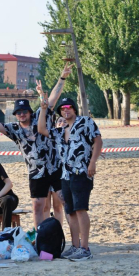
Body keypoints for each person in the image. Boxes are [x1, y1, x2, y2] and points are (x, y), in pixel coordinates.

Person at [0, 63, 74, 228]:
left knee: (62, 203)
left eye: (24, 111)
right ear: (16, 115)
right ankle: (42, 238)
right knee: (39, 207)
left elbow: (54, 96)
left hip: (55, 168)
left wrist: (63, 77)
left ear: (29, 112)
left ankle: (63, 237)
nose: (22, 114)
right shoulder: (14, 129)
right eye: (18, 112)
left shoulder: (42, 115)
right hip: (36, 173)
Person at [38, 96, 102, 261]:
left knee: (81, 209)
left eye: (68, 107)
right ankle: (75, 246)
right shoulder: (60, 132)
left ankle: (85, 248)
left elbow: (98, 140)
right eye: (62, 109)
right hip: (65, 176)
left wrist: (93, 162)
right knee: (70, 211)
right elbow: (41, 129)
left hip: (82, 172)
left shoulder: (86, 122)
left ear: (74, 108)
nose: (65, 110)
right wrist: (44, 109)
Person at [43, 117, 67, 225]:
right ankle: (45, 232)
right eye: (60, 121)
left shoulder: (69, 137)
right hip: (45, 173)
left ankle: (58, 232)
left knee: (58, 207)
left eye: (64, 121)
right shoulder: (49, 135)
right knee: (45, 207)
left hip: (60, 174)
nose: (62, 123)